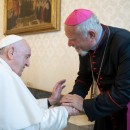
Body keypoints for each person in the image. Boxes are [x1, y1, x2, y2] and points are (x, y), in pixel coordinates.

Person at [60, 9, 130, 130]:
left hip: (125, 108)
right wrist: (72, 99)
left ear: (91, 34)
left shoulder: (124, 41)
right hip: (103, 108)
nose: (69, 44)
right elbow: (84, 77)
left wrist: (83, 105)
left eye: (72, 39)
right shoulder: (85, 45)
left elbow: (123, 92)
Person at [0, 35, 79, 130]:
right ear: (11, 52)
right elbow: (33, 125)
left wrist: (51, 101)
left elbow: (25, 111)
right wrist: (65, 111)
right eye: (26, 57)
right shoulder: (4, 76)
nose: (28, 63)